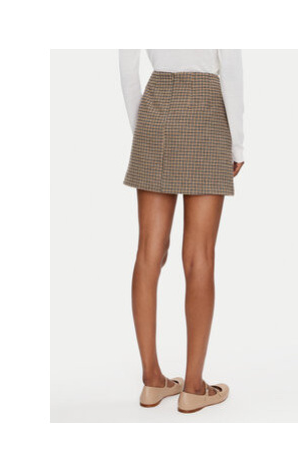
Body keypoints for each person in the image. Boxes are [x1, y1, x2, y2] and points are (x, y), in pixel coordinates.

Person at [119, 49, 244, 413]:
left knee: (149, 251)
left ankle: (152, 380)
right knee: (199, 256)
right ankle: (193, 388)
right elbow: (231, 71)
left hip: (155, 108)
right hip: (207, 111)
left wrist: (143, 129)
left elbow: (127, 69)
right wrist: (237, 143)